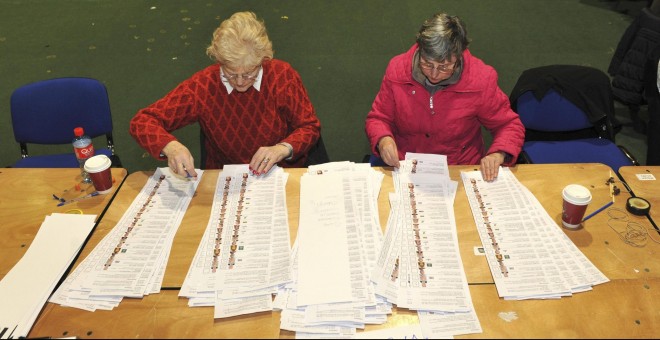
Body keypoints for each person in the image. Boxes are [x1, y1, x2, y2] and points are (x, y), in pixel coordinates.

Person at [130, 11, 321, 178]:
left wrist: (282, 148)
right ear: (219, 61)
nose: (239, 82)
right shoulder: (203, 86)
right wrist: (171, 147)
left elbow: (309, 127)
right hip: (226, 178)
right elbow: (143, 121)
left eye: (249, 74)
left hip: (281, 173)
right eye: (230, 73)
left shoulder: (282, 76)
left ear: (263, 60)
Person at [365, 12, 524, 181]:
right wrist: (384, 140)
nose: (434, 74)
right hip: (406, 164)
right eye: (427, 63)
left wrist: (498, 153)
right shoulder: (397, 71)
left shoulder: (480, 80)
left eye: (444, 67)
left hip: (458, 167)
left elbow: (509, 125)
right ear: (419, 49)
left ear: (459, 56)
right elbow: (378, 118)